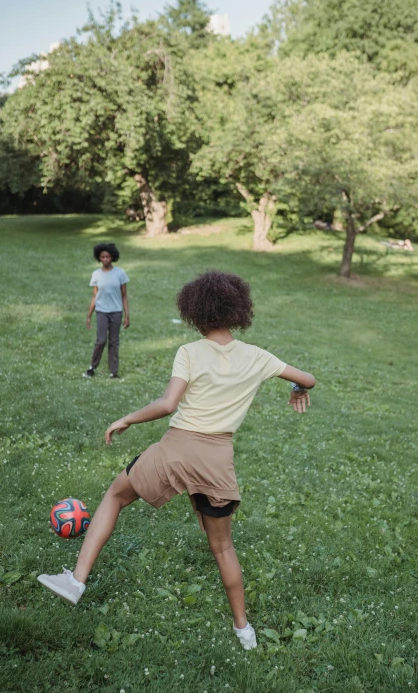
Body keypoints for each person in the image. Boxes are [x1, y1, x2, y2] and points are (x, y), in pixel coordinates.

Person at [40, 271, 315, 650]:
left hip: (177, 449)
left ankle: (75, 581)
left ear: (194, 312)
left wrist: (127, 418)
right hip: (217, 459)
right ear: (238, 311)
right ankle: (244, 631)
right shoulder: (258, 357)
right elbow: (309, 378)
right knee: (222, 548)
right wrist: (298, 387)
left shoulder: (189, 352)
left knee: (116, 496)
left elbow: (168, 404)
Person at [83, 242, 129, 379]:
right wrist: (89, 316)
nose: (105, 259)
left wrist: (127, 315)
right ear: (99, 257)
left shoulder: (120, 273)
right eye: (102, 257)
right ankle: (92, 367)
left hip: (116, 311)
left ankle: (113, 372)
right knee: (101, 340)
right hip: (101, 311)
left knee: (114, 341)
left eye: (107, 257)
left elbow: (124, 296)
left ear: (112, 257)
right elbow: (94, 296)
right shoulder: (96, 274)